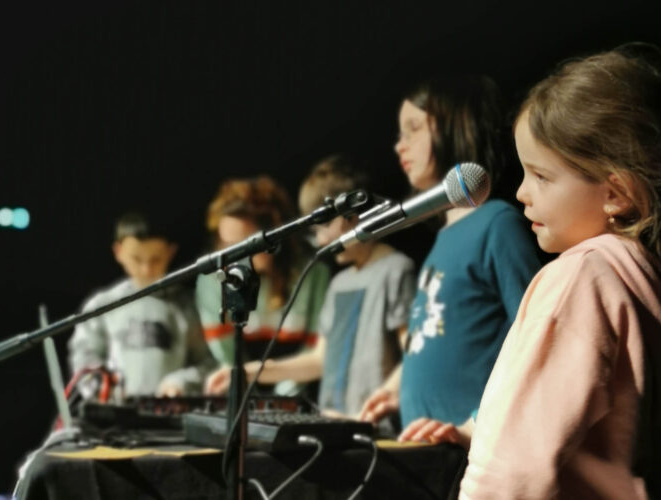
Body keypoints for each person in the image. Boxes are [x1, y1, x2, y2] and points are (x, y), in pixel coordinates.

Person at [399, 44, 661, 499]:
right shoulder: (651, 286)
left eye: (541, 176)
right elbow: (575, 423)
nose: (521, 192)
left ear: (615, 192)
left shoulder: (581, 278)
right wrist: (472, 430)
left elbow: (516, 472)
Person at [359, 76, 542, 429]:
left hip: (469, 446)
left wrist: (475, 426)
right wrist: (395, 387)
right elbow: (433, 331)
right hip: (426, 446)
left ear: (457, 127)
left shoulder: (497, 223)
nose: (400, 146)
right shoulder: (443, 237)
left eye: (413, 129)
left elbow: (534, 336)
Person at [206, 156, 417, 422]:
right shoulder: (339, 282)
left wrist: (384, 396)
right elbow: (319, 361)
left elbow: (415, 352)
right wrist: (248, 371)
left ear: (351, 215)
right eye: (313, 231)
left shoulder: (395, 270)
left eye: (323, 227)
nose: (319, 240)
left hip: (374, 426)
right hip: (333, 420)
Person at [195, 176, 330, 387]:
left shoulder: (313, 273)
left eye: (244, 243)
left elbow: (314, 350)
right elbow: (227, 357)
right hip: (241, 390)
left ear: (272, 238)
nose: (233, 256)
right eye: (226, 244)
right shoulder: (212, 279)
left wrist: (280, 401)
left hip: (299, 389)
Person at [68, 212, 216, 397]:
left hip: (171, 414)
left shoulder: (189, 306)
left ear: (170, 252)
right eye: (137, 259)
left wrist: (182, 382)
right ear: (118, 252)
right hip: (113, 414)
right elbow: (84, 356)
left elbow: (211, 362)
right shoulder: (103, 304)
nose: (146, 268)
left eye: (156, 259)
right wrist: (99, 386)